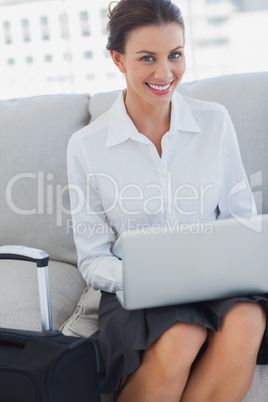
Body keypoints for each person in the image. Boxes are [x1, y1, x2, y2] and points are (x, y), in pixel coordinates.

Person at [67, 0, 268, 400]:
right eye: (147, 58)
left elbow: (242, 219)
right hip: (137, 292)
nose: (165, 73)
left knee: (247, 318)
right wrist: (145, 280)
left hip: (217, 281)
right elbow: (93, 257)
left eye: (175, 55)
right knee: (181, 333)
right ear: (118, 60)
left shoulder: (215, 121)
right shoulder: (87, 146)